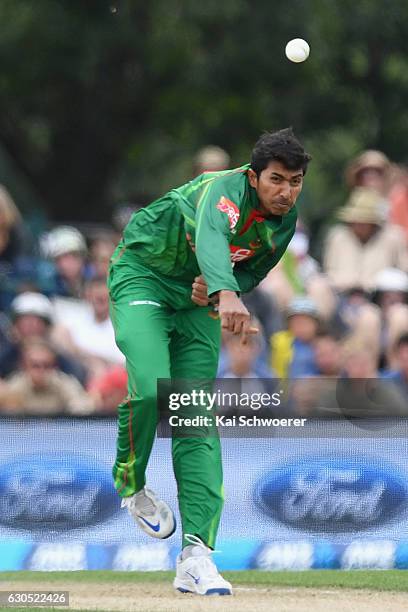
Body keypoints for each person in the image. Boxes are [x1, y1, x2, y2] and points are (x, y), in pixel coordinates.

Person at [108, 127, 311, 596]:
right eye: (276, 180)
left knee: (193, 416)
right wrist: (224, 290)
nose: (286, 192)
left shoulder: (285, 220)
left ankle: (196, 556)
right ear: (253, 175)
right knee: (152, 385)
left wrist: (220, 291)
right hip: (144, 275)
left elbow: (254, 268)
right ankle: (131, 483)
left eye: (295, 181)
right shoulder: (223, 190)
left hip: (196, 301)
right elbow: (215, 237)